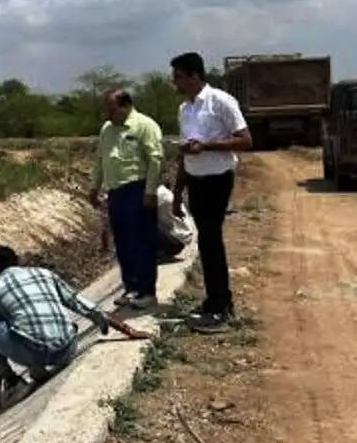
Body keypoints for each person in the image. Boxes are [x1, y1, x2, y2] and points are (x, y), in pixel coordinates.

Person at [0, 245, 156, 413]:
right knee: (36, 327)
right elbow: (83, 305)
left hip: (33, 353)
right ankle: (37, 368)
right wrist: (128, 330)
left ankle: (13, 382)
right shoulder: (44, 274)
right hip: (67, 350)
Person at [170, 52, 252, 334]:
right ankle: (214, 301)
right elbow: (186, 153)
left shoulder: (221, 101)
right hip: (195, 180)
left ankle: (221, 305)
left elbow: (245, 140)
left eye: (178, 76)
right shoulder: (185, 109)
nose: (174, 82)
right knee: (206, 242)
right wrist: (178, 191)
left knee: (211, 239)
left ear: (194, 75)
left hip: (218, 179)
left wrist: (206, 146)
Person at [88, 89, 165, 311]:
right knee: (123, 242)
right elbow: (100, 160)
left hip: (138, 189)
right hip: (116, 192)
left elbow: (155, 160)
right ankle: (130, 286)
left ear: (125, 106)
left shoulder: (144, 125)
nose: (108, 114)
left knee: (142, 242)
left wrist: (150, 191)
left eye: (112, 109)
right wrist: (94, 187)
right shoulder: (107, 129)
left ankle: (147, 291)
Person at [155, 185, 193, 261]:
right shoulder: (163, 191)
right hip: (179, 239)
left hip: (175, 241)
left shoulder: (159, 193)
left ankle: (161, 254)